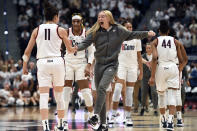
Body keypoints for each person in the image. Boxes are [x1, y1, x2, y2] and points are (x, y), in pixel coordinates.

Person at [75, 10, 155, 130]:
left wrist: (146, 33)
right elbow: (85, 43)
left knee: (103, 88)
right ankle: (103, 124)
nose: (100, 18)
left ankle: (96, 116)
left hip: (112, 65)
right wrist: (75, 48)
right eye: (98, 17)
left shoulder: (118, 30)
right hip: (99, 66)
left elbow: (133, 35)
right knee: (101, 93)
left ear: (108, 18)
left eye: (102, 16)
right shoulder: (95, 32)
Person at [22, 1, 75, 131]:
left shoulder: (36, 30)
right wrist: (77, 47)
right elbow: (70, 50)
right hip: (57, 62)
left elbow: (27, 53)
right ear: (56, 16)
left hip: (43, 63)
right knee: (59, 95)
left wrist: (24, 66)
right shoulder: (60, 30)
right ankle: (61, 125)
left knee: (44, 96)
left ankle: (45, 127)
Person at [149, 20, 184, 131]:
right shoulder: (175, 41)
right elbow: (182, 59)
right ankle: (170, 122)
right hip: (173, 67)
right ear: (168, 31)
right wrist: (178, 69)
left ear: (159, 31)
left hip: (161, 67)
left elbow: (154, 58)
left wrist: (152, 76)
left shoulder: (155, 41)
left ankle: (163, 119)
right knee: (173, 95)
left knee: (161, 95)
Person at [61, 13, 95, 126]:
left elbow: (91, 52)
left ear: (81, 22)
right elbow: (59, 48)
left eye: (78, 21)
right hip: (68, 63)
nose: (76, 23)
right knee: (66, 91)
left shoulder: (87, 33)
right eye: (74, 21)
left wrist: (89, 65)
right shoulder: (66, 32)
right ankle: (64, 119)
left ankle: (92, 116)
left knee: (86, 92)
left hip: (81, 63)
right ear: (72, 22)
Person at [109, 21, 143, 127]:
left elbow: (139, 56)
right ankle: (113, 115)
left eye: (131, 27)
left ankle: (128, 116)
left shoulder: (137, 39)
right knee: (118, 89)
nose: (129, 28)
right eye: (127, 27)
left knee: (129, 92)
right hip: (121, 66)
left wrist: (141, 71)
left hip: (133, 67)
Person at [140, 43, 158, 116]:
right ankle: (143, 108)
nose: (148, 49)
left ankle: (155, 109)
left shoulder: (155, 56)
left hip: (153, 77)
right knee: (144, 93)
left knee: (154, 92)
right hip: (144, 77)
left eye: (149, 48)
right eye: (147, 48)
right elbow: (139, 66)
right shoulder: (142, 56)